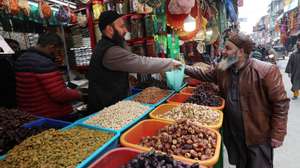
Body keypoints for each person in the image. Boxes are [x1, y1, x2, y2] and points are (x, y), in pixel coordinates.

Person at [185, 33, 289, 168]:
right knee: (241, 164)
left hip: (257, 134)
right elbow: (206, 74)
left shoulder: (266, 70)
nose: (223, 51)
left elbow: (280, 103)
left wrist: (278, 133)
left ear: (240, 52)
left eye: (228, 48)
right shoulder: (225, 65)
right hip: (234, 132)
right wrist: (183, 68)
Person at [88, 11, 181, 113]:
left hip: (111, 106)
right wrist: (170, 63)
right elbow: (142, 63)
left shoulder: (107, 46)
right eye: (122, 26)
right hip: (104, 111)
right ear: (110, 29)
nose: (126, 30)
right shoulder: (110, 51)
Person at [15, 32, 82, 119]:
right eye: (57, 51)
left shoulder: (22, 58)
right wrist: (79, 94)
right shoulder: (43, 63)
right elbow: (60, 95)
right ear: (51, 47)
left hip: (30, 113)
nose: (57, 54)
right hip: (51, 115)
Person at [286, 36, 300, 100]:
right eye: (298, 46)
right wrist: (289, 72)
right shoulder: (293, 54)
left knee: (296, 84)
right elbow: (290, 64)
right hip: (295, 72)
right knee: (295, 84)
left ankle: (295, 95)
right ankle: (296, 95)